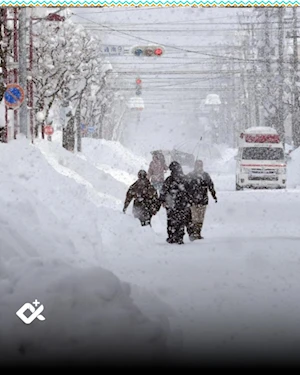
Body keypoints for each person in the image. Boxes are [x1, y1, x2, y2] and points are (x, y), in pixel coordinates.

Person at [159, 161, 191, 245]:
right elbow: (189, 191)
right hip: (182, 204)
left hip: (171, 204)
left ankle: (172, 236)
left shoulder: (169, 179)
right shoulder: (184, 179)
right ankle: (179, 237)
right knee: (181, 221)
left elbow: (163, 190)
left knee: (171, 220)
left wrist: (162, 200)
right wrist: (189, 201)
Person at [186, 159, 217, 241]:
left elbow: (210, 185)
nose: (199, 167)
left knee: (200, 218)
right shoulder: (190, 175)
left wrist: (214, 195)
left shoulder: (205, 175)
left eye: (200, 165)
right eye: (197, 165)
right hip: (193, 200)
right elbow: (186, 187)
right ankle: (194, 233)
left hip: (202, 200)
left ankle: (198, 232)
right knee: (194, 217)